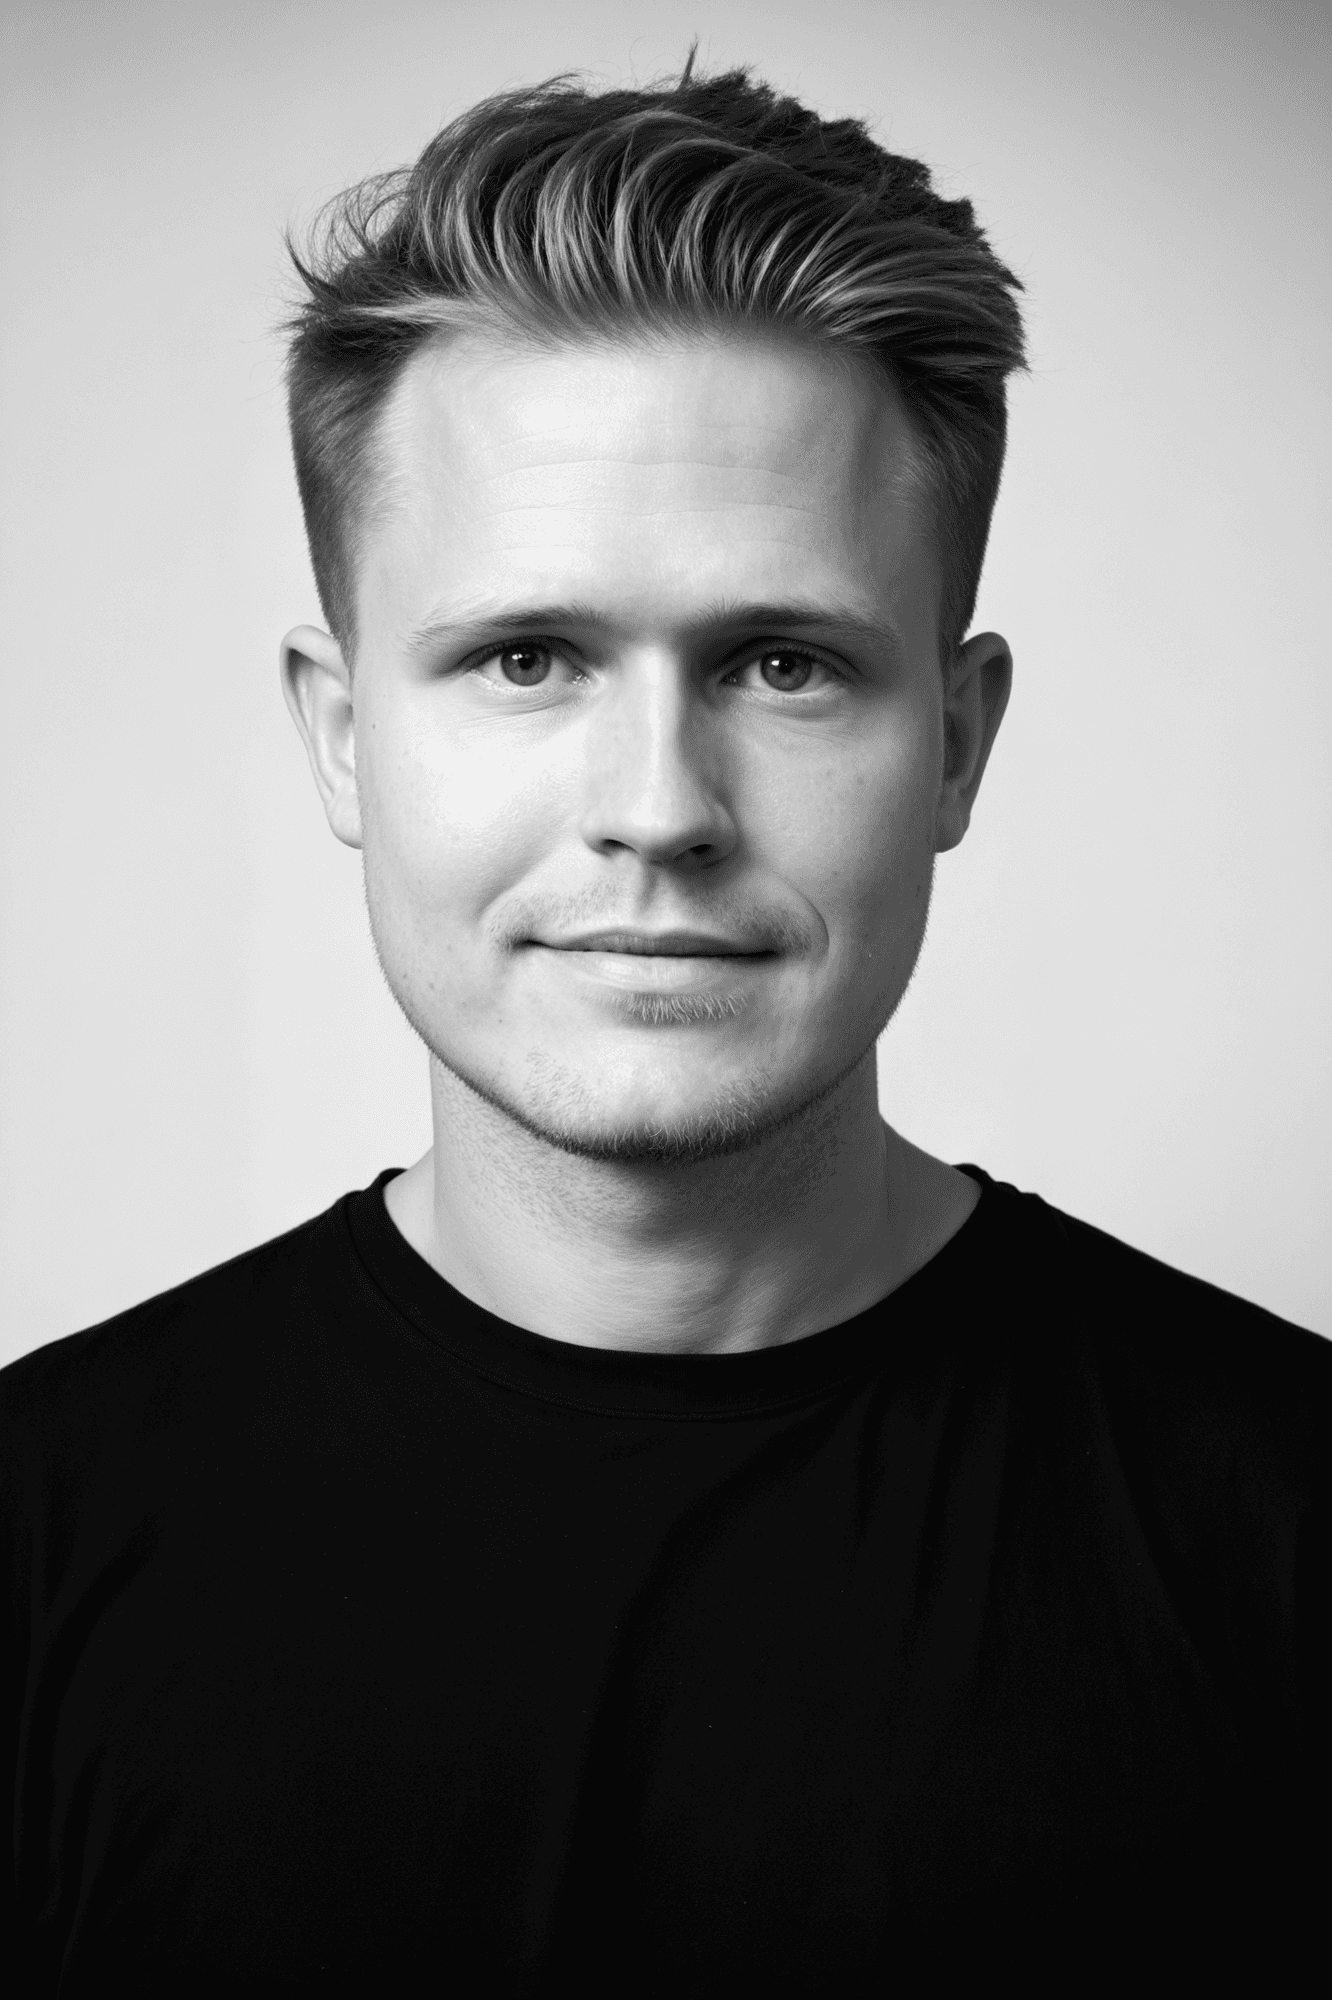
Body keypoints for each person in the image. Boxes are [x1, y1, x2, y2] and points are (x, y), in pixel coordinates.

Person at [2, 59, 1326, 1990]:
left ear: (957, 744)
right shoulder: (36, 1543)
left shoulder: (1288, 1531)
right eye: (526, 657)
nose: (659, 808)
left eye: (783, 663)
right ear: (343, 736)